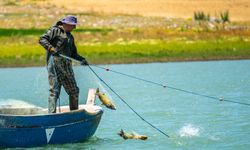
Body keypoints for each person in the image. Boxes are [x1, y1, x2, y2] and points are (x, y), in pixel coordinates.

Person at [39, 15, 88, 113]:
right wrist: (51, 49)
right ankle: (51, 114)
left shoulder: (70, 36)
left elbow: (73, 54)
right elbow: (42, 39)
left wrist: (81, 59)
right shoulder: (55, 30)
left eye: (75, 25)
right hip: (54, 65)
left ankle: (74, 113)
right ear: (65, 23)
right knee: (55, 91)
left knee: (74, 91)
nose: (74, 27)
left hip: (67, 67)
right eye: (73, 25)